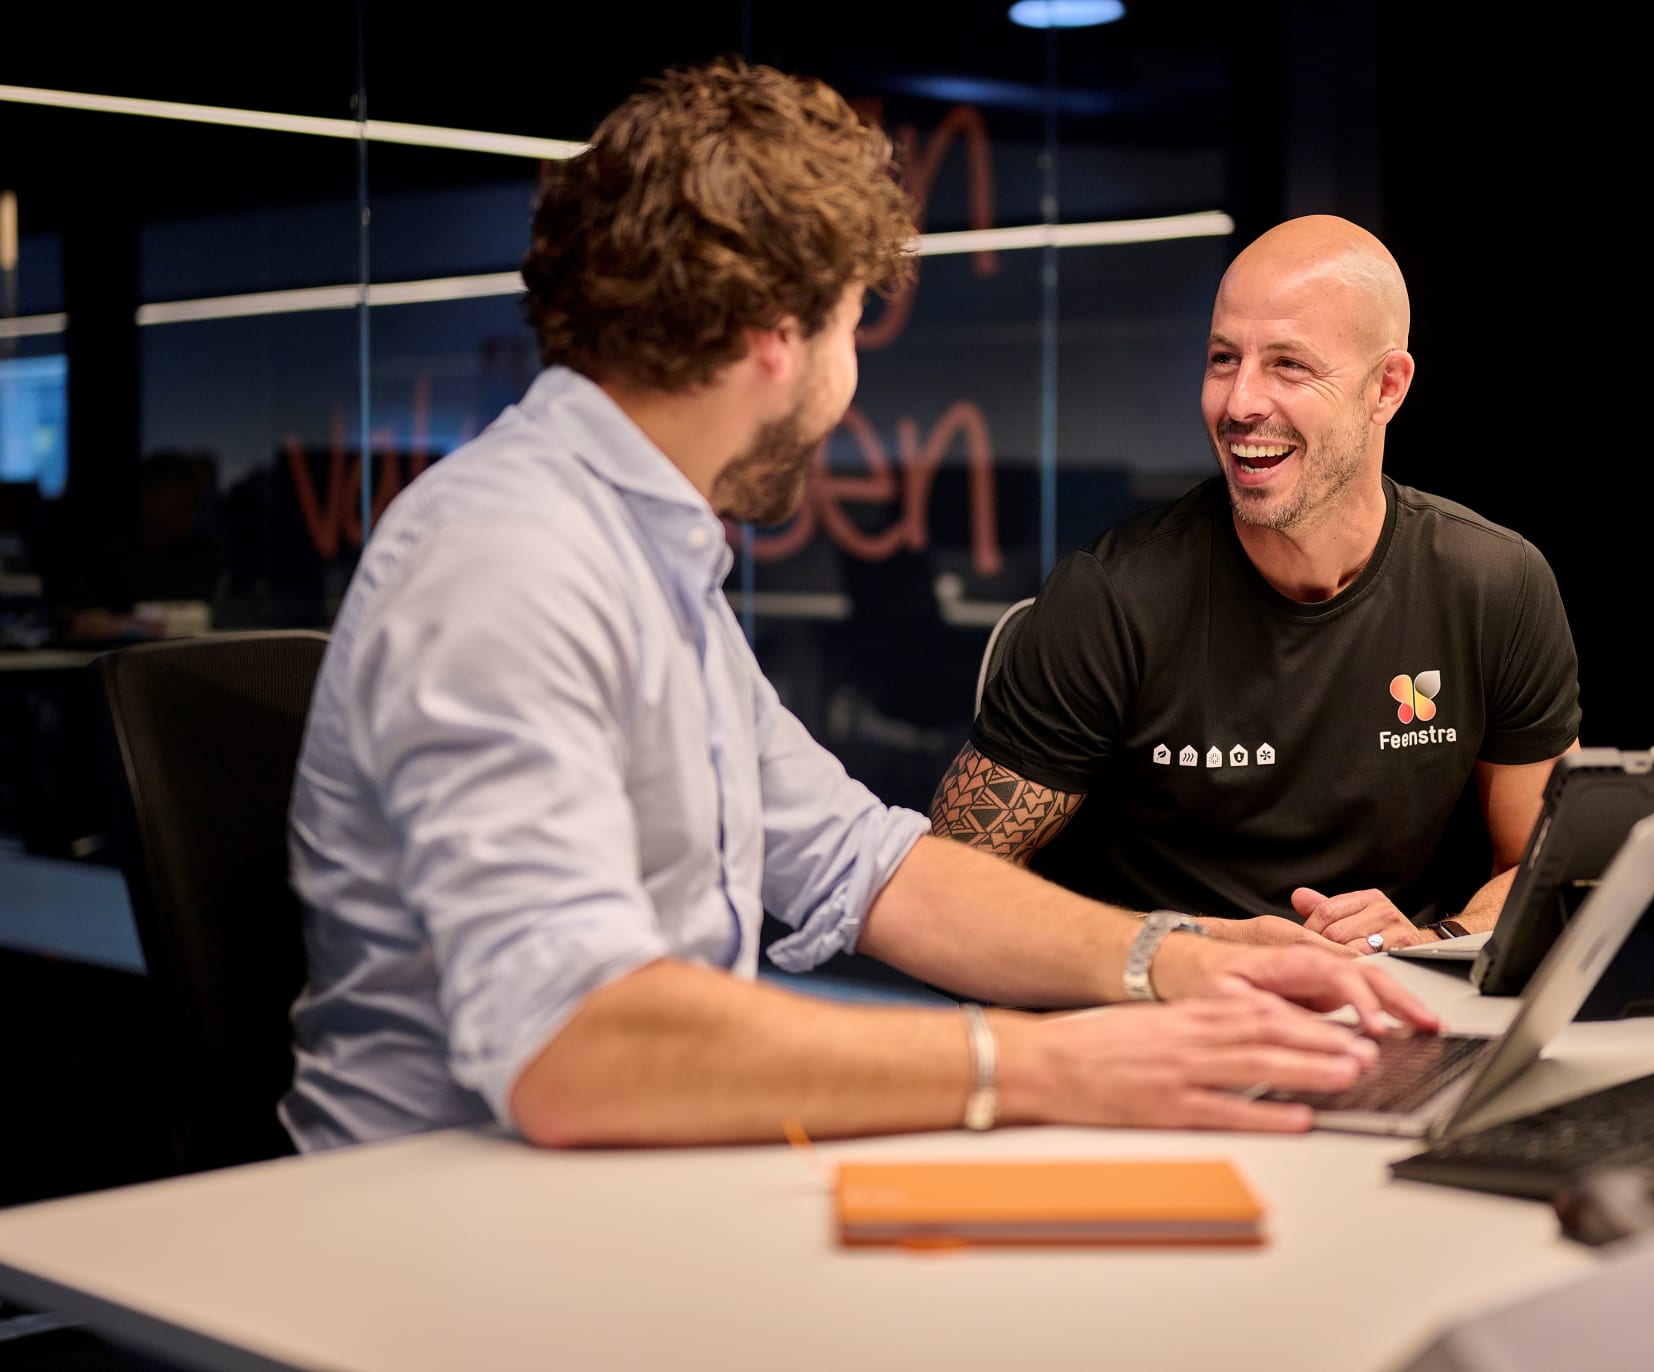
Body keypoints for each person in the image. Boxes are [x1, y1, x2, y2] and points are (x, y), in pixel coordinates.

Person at [282, 61, 1436, 1154]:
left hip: (614, 1179)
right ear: (774, 335)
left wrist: (1174, 957)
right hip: (445, 1219)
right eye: (848, 325)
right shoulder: (509, 561)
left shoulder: (644, 552)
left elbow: (860, 863)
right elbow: (573, 1045)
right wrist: (1046, 1065)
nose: (851, 383)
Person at [931, 215, 1580, 956]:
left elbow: (1547, 863)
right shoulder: (1113, 597)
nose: (1239, 403)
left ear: (1386, 387)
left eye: (1288, 365)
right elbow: (951, 886)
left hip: (1388, 999)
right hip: (1160, 1006)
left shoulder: (1494, 584)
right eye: (1222, 359)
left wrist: (1429, 945)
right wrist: (1199, 950)